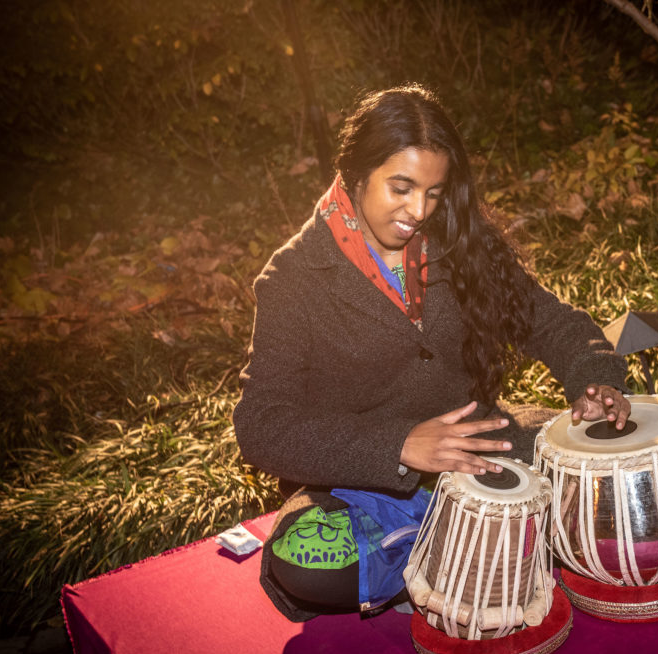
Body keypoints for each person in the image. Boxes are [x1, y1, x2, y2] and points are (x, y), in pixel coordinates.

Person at [233, 84, 631, 622]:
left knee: (617, 479)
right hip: (362, 492)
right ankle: (493, 546)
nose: (419, 210)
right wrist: (397, 446)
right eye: (401, 187)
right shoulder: (293, 279)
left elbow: (553, 322)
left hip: (482, 454)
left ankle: (455, 554)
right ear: (357, 173)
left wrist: (594, 379)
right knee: (305, 562)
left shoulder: (459, 239)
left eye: (435, 192)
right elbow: (263, 425)